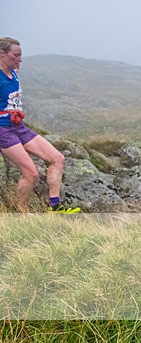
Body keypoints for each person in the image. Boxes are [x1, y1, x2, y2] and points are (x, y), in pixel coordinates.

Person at [0, 37, 79, 213]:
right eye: (16, 55)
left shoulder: (13, 72)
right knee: (31, 173)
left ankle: (55, 207)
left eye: (21, 55)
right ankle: (19, 214)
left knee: (57, 158)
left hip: (19, 126)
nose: (20, 59)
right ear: (2, 54)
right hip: (3, 130)